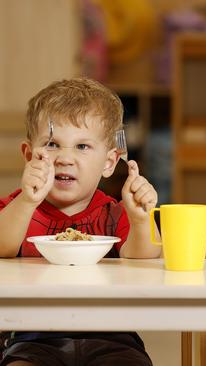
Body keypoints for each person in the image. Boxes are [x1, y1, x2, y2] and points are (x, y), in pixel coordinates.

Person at [0, 77, 161, 366]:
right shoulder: (18, 207)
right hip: (33, 338)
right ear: (28, 155)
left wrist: (140, 220)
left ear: (109, 162)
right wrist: (27, 201)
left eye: (82, 147)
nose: (64, 158)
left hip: (112, 336)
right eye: (51, 144)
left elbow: (145, 259)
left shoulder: (113, 212)